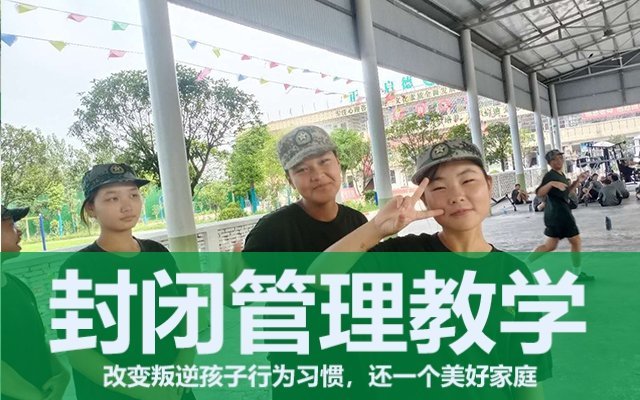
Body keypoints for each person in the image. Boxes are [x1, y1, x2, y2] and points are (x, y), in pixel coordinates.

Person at [307, 139, 551, 399]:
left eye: (468, 181)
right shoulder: (401, 257)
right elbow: (318, 277)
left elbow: (527, 373)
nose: (456, 196)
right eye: (439, 187)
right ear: (424, 199)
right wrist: (376, 227)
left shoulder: (514, 275)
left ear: (488, 184)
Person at [241, 126, 368, 400]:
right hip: (299, 363)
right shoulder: (271, 230)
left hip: (354, 354)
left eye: (324, 162)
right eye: (302, 169)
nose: (317, 175)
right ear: (289, 180)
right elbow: (241, 293)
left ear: (338, 163)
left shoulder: (358, 222)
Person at [55, 164, 195, 400]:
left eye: (133, 195)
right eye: (112, 198)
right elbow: (77, 351)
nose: (127, 206)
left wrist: (182, 365)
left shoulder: (157, 253)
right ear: (91, 208)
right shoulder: (78, 268)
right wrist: (145, 390)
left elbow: (185, 313)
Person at [2, 205, 70, 400]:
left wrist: (62, 374)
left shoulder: (16, 285)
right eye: (10, 225)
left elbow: (39, 340)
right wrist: (35, 396)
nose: (19, 231)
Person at [530, 150, 594, 282]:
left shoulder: (561, 174)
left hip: (557, 214)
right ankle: (576, 274)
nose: (559, 160)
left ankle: (523, 264)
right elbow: (539, 193)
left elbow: (566, 192)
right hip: (560, 215)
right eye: (555, 159)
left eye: (560, 158)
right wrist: (551, 184)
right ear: (550, 162)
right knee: (576, 241)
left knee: (550, 246)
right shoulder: (550, 176)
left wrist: (578, 181)